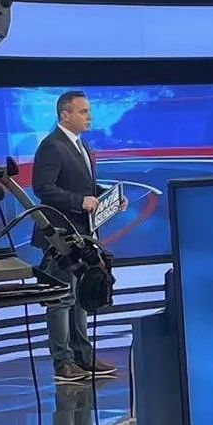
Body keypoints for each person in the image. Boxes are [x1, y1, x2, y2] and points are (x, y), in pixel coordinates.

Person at [32, 91, 125, 383]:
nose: (89, 117)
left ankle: (83, 357)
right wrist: (79, 201)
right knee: (61, 299)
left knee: (80, 297)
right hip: (60, 237)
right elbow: (43, 188)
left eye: (88, 111)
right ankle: (63, 363)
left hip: (82, 236)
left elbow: (84, 186)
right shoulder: (52, 146)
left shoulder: (80, 145)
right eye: (83, 111)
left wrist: (108, 198)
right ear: (65, 115)